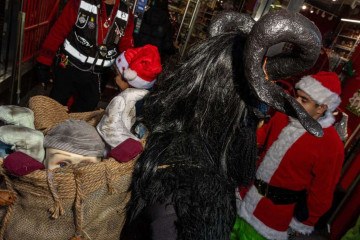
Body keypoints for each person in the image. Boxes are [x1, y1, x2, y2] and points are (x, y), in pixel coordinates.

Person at [121, 10, 324, 240]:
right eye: (258, 116)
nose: (258, 126)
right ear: (235, 111)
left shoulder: (170, 141)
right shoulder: (192, 201)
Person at [234, 71, 345, 240]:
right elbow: (259, 139)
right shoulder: (282, 115)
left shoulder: (331, 145)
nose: (296, 103)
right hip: (243, 196)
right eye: (298, 97)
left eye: (304, 100)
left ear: (322, 107)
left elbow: (322, 191)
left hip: (272, 217)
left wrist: (304, 221)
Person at [36, 0, 135, 112]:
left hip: (97, 76)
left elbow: (126, 49)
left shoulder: (127, 14)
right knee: (53, 111)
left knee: (82, 118)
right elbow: (59, 31)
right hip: (68, 68)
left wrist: (130, 75)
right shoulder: (80, 2)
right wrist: (44, 62)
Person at [96, 44, 162, 149]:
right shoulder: (148, 93)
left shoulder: (129, 101)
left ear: (129, 80)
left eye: (118, 75)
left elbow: (114, 131)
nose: (115, 79)